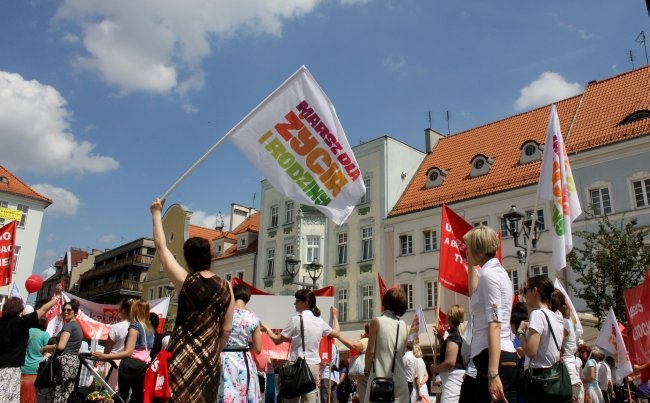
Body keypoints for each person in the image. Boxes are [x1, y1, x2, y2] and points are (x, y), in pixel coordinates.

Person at [151, 198, 235, 402]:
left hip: (182, 354)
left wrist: (155, 213)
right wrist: (215, 348)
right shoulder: (227, 288)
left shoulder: (185, 280)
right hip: (209, 358)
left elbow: (162, 249)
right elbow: (226, 330)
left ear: (187, 258)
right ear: (211, 255)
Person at [462, 225, 518, 403]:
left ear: (477, 248)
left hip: (494, 358)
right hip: (492, 357)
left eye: (469, 247)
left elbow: (494, 322)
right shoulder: (494, 273)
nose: (466, 251)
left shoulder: (489, 276)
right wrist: (471, 264)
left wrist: (493, 373)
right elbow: (474, 294)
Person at [262, 289, 340, 402]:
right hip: (313, 366)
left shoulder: (295, 320)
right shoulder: (320, 322)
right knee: (310, 400)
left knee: (292, 399)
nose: (295, 304)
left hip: (296, 366)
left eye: (297, 301)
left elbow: (277, 340)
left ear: (306, 303)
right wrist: (335, 316)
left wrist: (267, 329)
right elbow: (337, 333)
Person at [0, 287, 61, 403]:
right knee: (8, 398)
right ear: (19, 309)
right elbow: (43, 310)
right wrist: (56, 298)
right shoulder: (21, 323)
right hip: (12, 368)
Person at [516, 275, 568, 403]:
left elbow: (531, 351)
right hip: (553, 377)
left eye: (525, 290)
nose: (524, 294)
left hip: (539, 378)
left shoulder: (538, 314)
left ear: (535, 291)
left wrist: (520, 334)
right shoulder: (556, 316)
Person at [94, 300, 154, 403]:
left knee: (120, 396)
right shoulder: (150, 329)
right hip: (143, 366)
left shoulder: (134, 327)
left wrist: (104, 356)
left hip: (129, 366)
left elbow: (128, 352)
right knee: (136, 397)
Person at [218, 284, 262, 403]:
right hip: (244, 360)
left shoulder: (223, 314)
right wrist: (247, 343)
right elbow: (258, 348)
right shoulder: (253, 317)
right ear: (248, 298)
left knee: (225, 393)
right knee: (243, 394)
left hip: (225, 358)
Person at [363, 287, 409, 403]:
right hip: (400, 381)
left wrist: (366, 371)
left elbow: (370, 352)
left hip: (379, 381)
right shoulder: (403, 325)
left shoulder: (376, 321)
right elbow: (402, 352)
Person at [40, 300, 83, 403]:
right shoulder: (77, 327)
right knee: (66, 394)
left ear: (75, 312)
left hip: (64, 362)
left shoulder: (69, 326)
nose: (65, 312)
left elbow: (60, 346)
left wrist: (46, 348)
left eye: (69, 310)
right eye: (64, 310)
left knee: (56, 394)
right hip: (73, 362)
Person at [551, 289, 584, 403]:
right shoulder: (566, 321)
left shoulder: (564, 322)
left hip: (570, 380)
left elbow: (556, 340)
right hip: (569, 379)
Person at [430, 304, 465, 403]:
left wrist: (435, 369)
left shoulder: (454, 336)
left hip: (452, 378)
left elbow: (450, 362)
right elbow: (447, 352)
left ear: (450, 318)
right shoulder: (457, 334)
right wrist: (440, 338)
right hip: (450, 378)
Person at [20, 316, 51, 402]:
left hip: (21, 368)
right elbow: (49, 352)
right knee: (31, 398)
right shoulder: (45, 335)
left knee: (19, 397)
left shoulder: (26, 332)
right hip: (36, 370)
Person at [337, 322, 370, 400]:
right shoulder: (378, 340)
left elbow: (352, 346)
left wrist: (338, 336)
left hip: (364, 375)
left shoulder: (367, 340)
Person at [104, 298, 132, 390]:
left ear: (123, 310)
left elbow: (107, 350)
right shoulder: (137, 327)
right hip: (128, 364)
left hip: (113, 362)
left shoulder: (116, 327)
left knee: (109, 393)